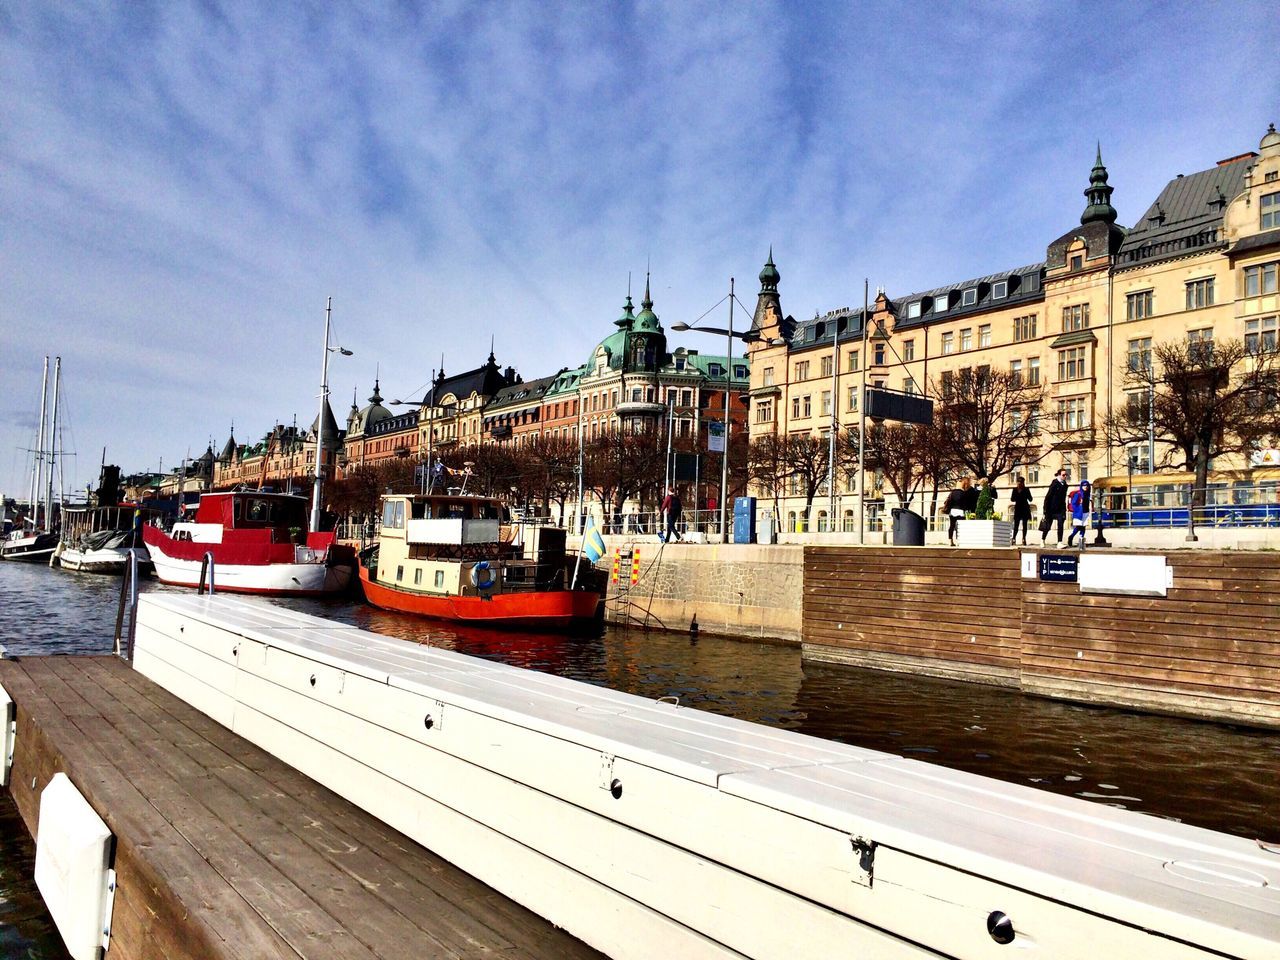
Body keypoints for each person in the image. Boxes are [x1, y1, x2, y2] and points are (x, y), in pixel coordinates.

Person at [1041, 468, 1069, 546]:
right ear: (1059, 475)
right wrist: (1045, 510)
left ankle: (1059, 542)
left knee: (1060, 525)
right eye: (1063, 475)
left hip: (1060, 509)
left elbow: (1063, 498)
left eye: (1066, 475)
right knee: (1048, 526)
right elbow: (1048, 497)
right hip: (1051, 509)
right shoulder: (1054, 483)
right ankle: (1042, 540)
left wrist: (1064, 509)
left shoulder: (1065, 485)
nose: (1065, 476)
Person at [943, 477, 972, 546]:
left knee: (952, 526)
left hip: (952, 511)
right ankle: (959, 540)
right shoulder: (964, 493)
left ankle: (950, 541)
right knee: (960, 526)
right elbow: (966, 504)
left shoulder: (953, 492)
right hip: (961, 511)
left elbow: (949, 501)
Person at [1066, 480, 1092, 549]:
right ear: (1081, 486)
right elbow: (1073, 503)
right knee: (1078, 527)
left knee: (1083, 527)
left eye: (1087, 485)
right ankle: (1071, 536)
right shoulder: (1078, 494)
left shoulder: (1088, 494)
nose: (1085, 487)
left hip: (1085, 512)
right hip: (1079, 513)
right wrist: (1078, 507)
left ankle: (1081, 541)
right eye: (1084, 485)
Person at [1010, 476, 1033, 546]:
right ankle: (1015, 538)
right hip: (1019, 508)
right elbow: (1012, 499)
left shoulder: (1025, 489)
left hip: (1023, 508)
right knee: (1017, 525)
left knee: (1023, 525)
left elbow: (1030, 499)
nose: (1020, 483)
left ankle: (1022, 538)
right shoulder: (1015, 489)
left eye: (1021, 482)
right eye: (1019, 482)